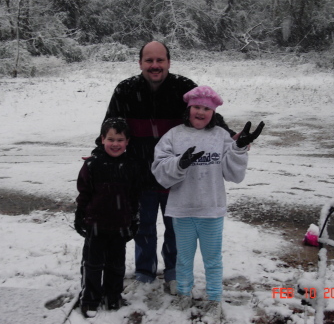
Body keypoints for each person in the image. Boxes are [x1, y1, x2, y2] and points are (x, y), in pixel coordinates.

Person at [92, 41, 236, 295]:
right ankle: (145, 272)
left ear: (169, 62)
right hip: (139, 174)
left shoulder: (184, 88)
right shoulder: (126, 90)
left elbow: (209, 114)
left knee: (175, 229)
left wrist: (232, 137)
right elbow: (110, 127)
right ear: (140, 63)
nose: (155, 65)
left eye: (160, 60)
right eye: (149, 60)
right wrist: (98, 154)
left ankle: (173, 273)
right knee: (143, 227)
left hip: (177, 175)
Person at [151, 85, 264, 322]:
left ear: (213, 113)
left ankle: (214, 299)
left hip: (211, 210)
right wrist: (180, 164)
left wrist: (239, 148)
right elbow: (160, 170)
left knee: (213, 259)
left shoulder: (221, 136)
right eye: (196, 107)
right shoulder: (173, 135)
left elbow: (234, 174)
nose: (201, 112)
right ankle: (183, 292)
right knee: (183, 257)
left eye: (206, 108)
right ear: (188, 109)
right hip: (182, 210)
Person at [74, 118, 142, 318]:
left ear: (127, 141)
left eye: (120, 139)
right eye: (111, 139)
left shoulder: (131, 165)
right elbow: (84, 192)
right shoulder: (93, 164)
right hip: (96, 224)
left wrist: (134, 220)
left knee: (116, 264)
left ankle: (113, 295)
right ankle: (90, 298)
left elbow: (134, 196)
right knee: (92, 264)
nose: (115, 144)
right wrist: (80, 215)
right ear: (102, 139)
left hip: (120, 225)